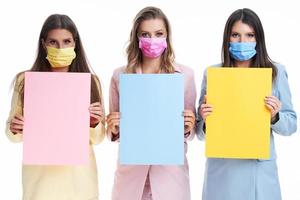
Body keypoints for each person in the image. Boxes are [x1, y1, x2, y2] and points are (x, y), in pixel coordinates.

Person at [197, 8, 297, 200]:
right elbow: (199, 133)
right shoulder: (213, 73)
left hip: (258, 172)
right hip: (222, 171)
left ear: (258, 39)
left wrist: (275, 116)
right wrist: (206, 120)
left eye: (249, 35)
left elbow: (291, 124)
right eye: (235, 35)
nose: (242, 42)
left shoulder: (275, 72)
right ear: (227, 38)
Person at [6, 14, 105, 200]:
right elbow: (12, 135)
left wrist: (94, 122)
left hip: (80, 182)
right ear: (43, 43)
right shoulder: (26, 81)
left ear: (75, 43)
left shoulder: (91, 82)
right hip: (40, 182)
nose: (61, 48)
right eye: (53, 42)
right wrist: (15, 127)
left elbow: (99, 139)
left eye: (66, 41)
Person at [106, 6, 196, 200]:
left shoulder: (185, 76)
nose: (152, 40)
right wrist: (113, 128)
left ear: (167, 37)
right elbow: (115, 131)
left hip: (170, 179)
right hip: (131, 178)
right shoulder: (120, 76)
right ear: (137, 38)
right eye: (145, 34)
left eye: (159, 34)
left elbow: (190, 133)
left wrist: (188, 127)